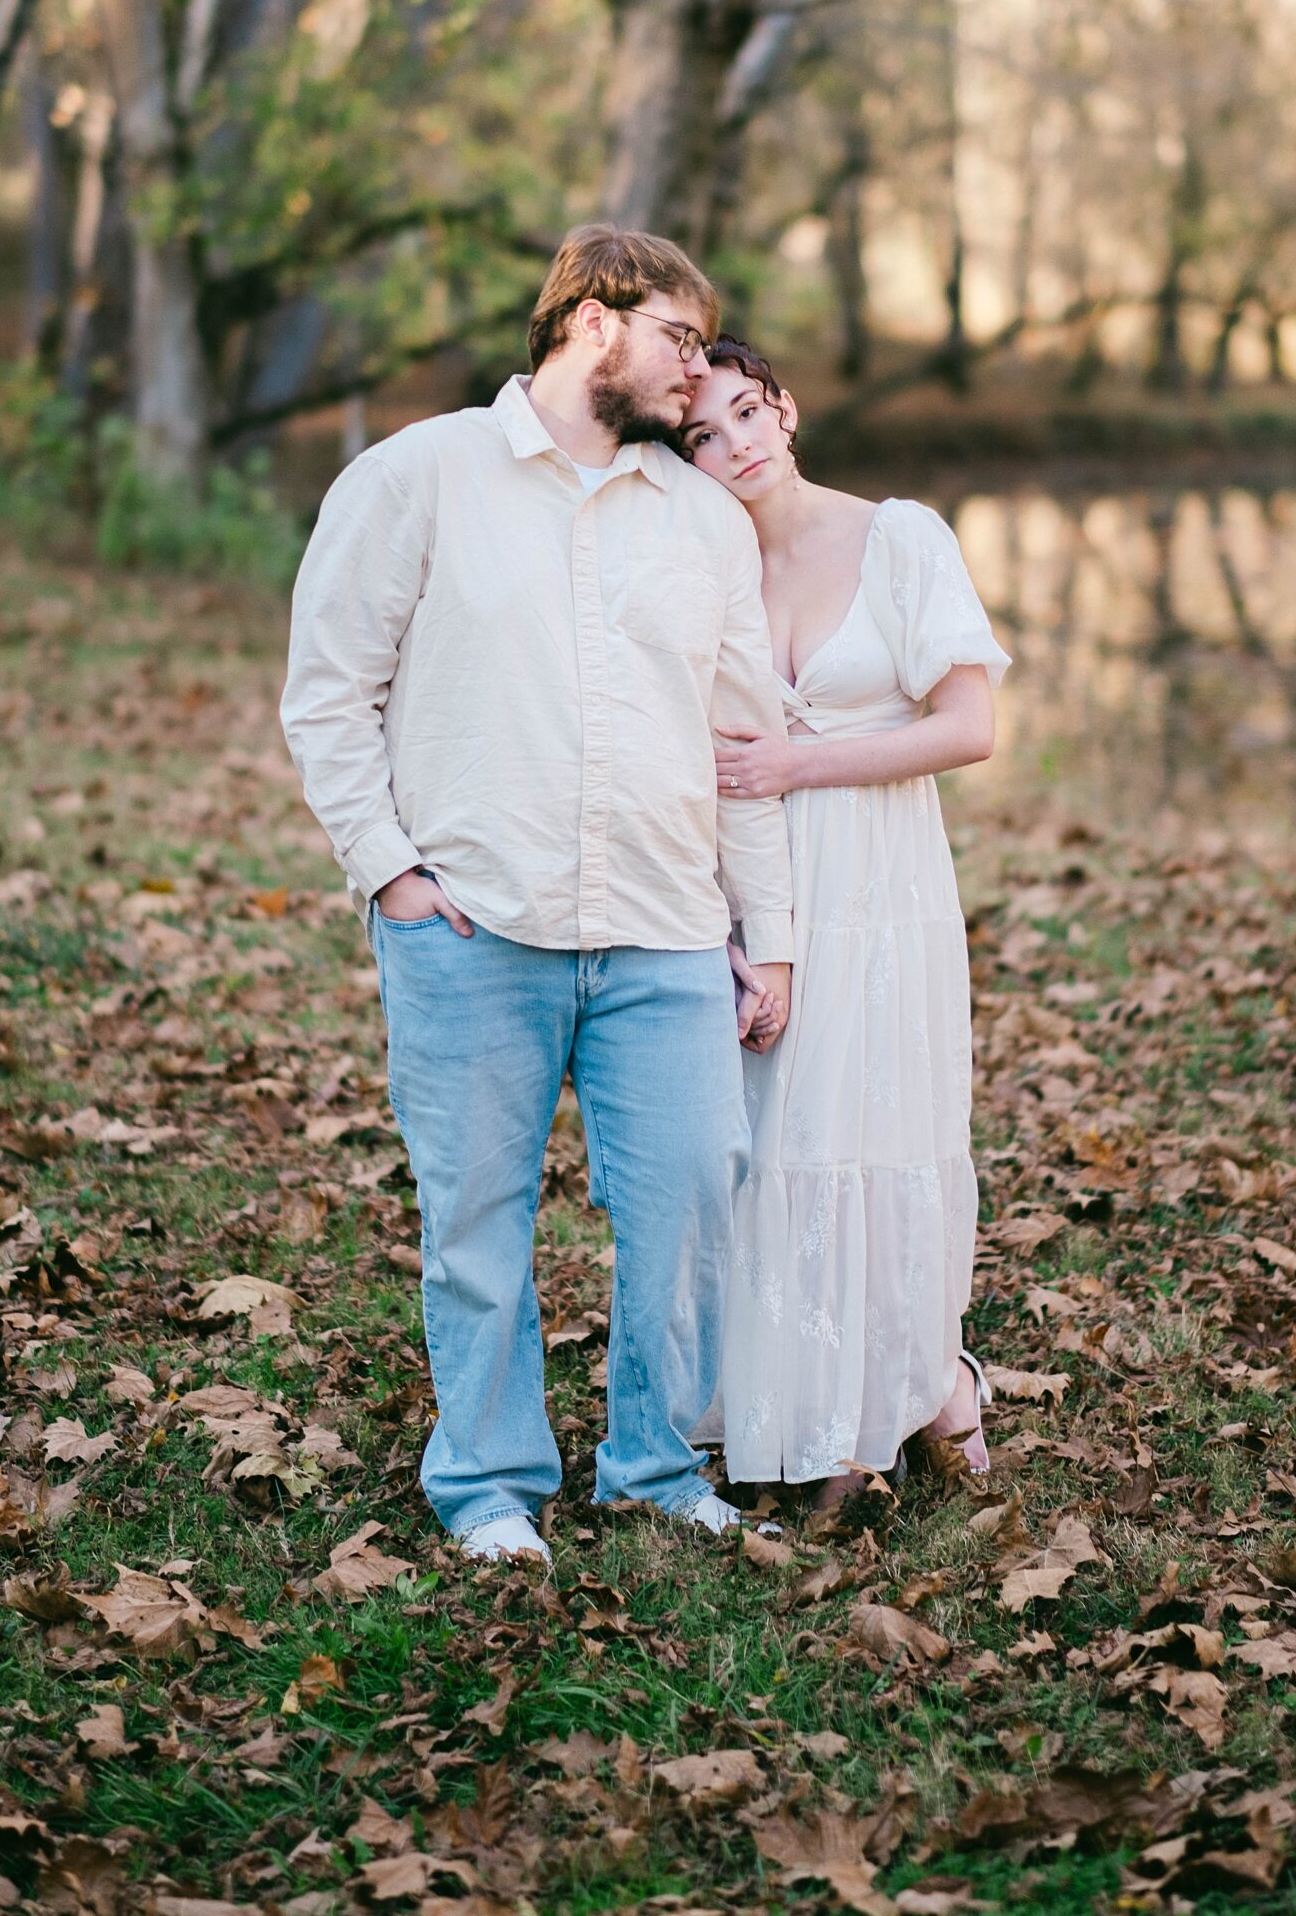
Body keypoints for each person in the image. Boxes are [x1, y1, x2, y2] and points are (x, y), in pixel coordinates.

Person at [280, 231, 794, 1566]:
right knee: (475, 1224)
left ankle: (655, 1467)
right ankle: (488, 1484)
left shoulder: (703, 522)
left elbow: (742, 743)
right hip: (472, 925)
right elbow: (328, 694)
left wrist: (772, 935)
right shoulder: (417, 477)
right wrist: (390, 872)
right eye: (680, 339)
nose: (697, 372)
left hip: (667, 930)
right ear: (590, 321)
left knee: (690, 1204)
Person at [678, 338, 1008, 1505]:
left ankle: (922, 1387)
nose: (736, 443)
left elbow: (968, 728)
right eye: (703, 434)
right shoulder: (704, 570)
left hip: (880, 882)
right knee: (770, 1141)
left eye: (747, 410)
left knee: (872, 1131)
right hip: (755, 887)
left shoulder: (899, 536)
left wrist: (798, 764)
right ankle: (792, 1406)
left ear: (786, 408)